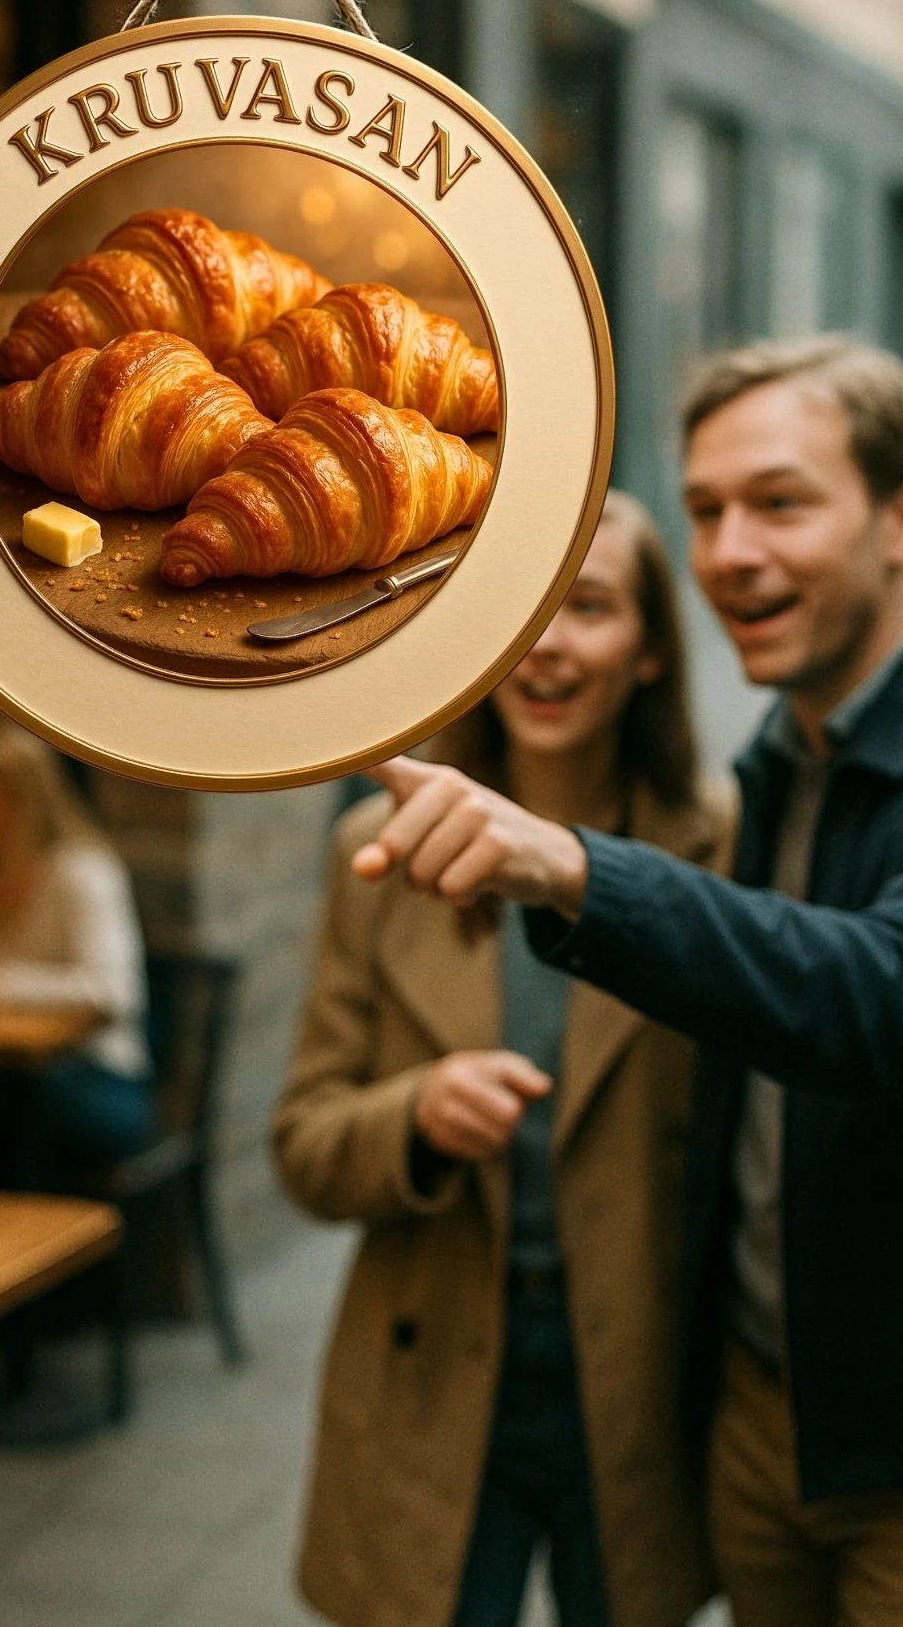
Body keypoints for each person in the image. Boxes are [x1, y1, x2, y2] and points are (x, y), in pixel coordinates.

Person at [352, 337, 903, 1627]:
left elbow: (878, 996)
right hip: (764, 1411)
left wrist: (576, 870)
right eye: (707, 509)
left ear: (895, 524)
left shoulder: (720, 800)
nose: (731, 550)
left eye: (781, 502)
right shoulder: (780, 765)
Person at [274, 492, 732, 1627]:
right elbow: (303, 1144)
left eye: (589, 605)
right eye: (521, 605)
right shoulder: (376, 852)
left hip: (636, 1374)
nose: (548, 642)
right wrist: (415, 1114)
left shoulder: (718, 848)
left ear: (650, 654)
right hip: (431, 1358)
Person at [0, 718, 153, 1189]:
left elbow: (112, 993)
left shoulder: (80, 876)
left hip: (96, 1077)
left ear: (16, 800)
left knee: (7, 1107)